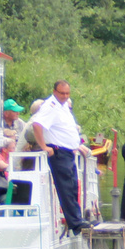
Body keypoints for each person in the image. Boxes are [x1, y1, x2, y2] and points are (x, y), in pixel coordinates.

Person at [29, 80, 90, 233]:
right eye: (61, 93)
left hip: (68, 152)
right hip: (59, 152)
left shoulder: (63, 106)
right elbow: (37, 124)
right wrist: (44, 146)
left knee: (73, 186)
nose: (64, 96)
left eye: (67, 93)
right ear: (54, 92)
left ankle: (77, 218)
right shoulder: (51, 106)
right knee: (66, 188)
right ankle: (75, 222)